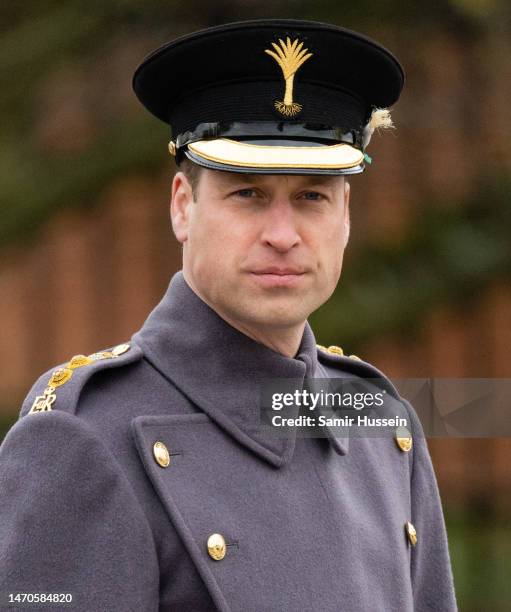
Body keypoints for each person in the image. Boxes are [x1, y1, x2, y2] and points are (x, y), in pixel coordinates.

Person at [0, 19, 457, 612]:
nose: (283, 235)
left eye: (312, 197)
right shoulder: (83, 434)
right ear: (183, 206)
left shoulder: (380, 420)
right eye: (247, 193)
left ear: (346, 216)